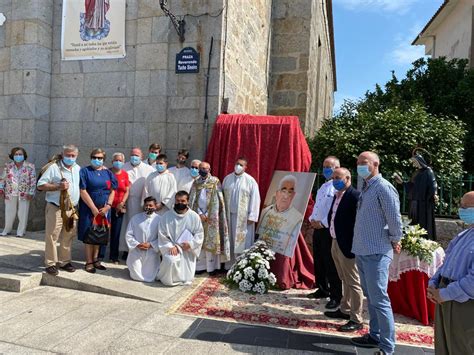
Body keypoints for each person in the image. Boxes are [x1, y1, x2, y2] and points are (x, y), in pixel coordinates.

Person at [350, 151, 402, 355]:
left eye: (365, 163)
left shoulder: (383, 187)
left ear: (376, 164)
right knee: (371, 298)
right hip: (363, 250)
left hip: (377, 251)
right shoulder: (365, 187)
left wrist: (396, 239)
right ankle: (375, 335)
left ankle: (387, 347)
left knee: (379, 299)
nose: (360, 166)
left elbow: (394, 219)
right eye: (358, 163)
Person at [427, 191, 474, 355]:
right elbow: (445, 264)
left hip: (463, 303)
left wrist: (445, 294)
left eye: (466, 206)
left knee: (460, 348)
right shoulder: (463, 235)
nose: (461, 210)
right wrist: (433, 284)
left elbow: (472, 282)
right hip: (445, 298)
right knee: (443, 347)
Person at [324, 168, 364, 332]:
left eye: (338, 178)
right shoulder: (337, 195)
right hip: (336, 241)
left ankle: (356, 318)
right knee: (343, 278)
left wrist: (353, 244)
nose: (334, 180)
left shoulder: (354, 196)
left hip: (348, 245)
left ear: (348, 178)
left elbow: (358, 223)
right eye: (333, 178)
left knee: (353, 282)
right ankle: (345, 309)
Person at [37, 145, 80, 276]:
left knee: (68, 235)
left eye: (73, 156)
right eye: (68, 155)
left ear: (76, 156)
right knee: (52, 236)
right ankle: (50, 263)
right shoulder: (53, 168)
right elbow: (40, 185)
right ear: (62, 154)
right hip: (56, 207)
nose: (70, 158)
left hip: (71, 208)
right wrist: (57, 186)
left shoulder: (77, 168)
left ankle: (64, 261)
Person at [308, 156, 341, 310]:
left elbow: (334, 210)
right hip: (317, 228)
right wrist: (312, 219)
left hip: (328, 229)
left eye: (330, 166)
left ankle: (335, 295)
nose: (326, 169)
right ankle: (322, 288)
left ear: (337, 167)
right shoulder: (322, 187)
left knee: (331, 263)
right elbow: (318, 207)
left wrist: (323, 223)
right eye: (324, 166)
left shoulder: (337, 187)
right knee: (319, 260)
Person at [78, 148, 117, 273]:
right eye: (95, 157)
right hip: (89, 208)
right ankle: (88, 261)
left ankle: (96, 260)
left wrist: (108, 206)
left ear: (103, 159)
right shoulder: (85, 171)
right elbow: (82, 190)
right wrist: (93, 208)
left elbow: (113, 190)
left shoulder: (108, 173)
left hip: (104, 209)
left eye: (100, 158)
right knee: (89, 234)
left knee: (99, 234)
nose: (97, 160)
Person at [189, 161, 230, 274]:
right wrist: (199, 213)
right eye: (201, 168)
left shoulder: (215, 182)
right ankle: (200, 267)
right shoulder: (196, 182)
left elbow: (217, 200)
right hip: (198, 216)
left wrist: (208, 214)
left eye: (205, 168)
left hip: (212, 216)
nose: (203, 170)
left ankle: (212, 267)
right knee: (200, 240)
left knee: (211, 240)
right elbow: (193, 200)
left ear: (209, 169)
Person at [156, 191, 204, 286]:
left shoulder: (194, 216)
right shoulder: (166, 216)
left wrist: (191, 244)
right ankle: (167, 279)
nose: (180, 203)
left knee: (187, 278)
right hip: (172, 249)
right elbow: (162, 234)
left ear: (188, 202)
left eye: (183, 201)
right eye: (178, 200)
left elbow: (199, 234)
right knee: (171, 260)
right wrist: (170, 246)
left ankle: (183, 278)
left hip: (187, 250)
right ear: (174, 201)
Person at [222, 157, 260, 268]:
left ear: (245, 167)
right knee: (231, 240)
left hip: (244, 218)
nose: (238, 166)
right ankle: (229, 265)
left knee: (243, 241)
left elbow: (255, 198)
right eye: (237, 164)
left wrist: (252, 215)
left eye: (241, 165)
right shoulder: (227, 179)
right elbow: (222, 196)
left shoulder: (250, 180)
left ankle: (242, 266)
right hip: (229, 216)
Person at [119, 148, 155, 258]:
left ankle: (140, 247)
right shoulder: (124, 167)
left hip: (142, 202)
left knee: (140, 227)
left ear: (142, 156)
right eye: (133, 154)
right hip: (127, 201)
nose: (134, 157)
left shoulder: (149, 169)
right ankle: (126, 249)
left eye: (137, 155)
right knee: (126, 226)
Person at [257, 175, 304, 257]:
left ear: (293, 195)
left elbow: (290, 246)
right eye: (283, 190)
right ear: (277, 193)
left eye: (290, 192)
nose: (286, 196)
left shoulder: (297, 218)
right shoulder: (265, 212)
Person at [394, 153, 438, 240]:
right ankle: (414, 239)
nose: (413, 164)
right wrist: (402, 182)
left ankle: (425, 240)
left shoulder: (428, 171)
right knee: (413, 220)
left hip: (423, 202)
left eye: (414, 161)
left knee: (423, 221)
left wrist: (435, 194)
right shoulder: (416, 173)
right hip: (414, 201)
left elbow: (433, 183)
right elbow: (411, 185)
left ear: (420, 161)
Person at [0, 147, 36, 238]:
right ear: (12, 156)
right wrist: (1, 189)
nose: (18, 156)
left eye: (20, 154)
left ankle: (21, 231)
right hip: (10, 192)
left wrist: (31, 192)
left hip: (25, 193)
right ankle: (7, 230)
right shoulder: (8, 166)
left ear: (24, 156)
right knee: (9, 212)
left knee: (23, 213)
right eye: (16, 154)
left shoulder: (30, 166)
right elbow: (2, 179)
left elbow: (33, 180)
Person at [125, 196, 161, 282]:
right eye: (146, 205)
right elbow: (129, 235)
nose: (148, 207)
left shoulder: (160, 220)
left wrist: (151, 244)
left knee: (151, 275)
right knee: (135, 275)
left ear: (155, 206)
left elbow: (163, 238)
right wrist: (137, 244)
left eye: (150, 205)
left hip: (152, 251)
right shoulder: (135, 218)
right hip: (137, 251)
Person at [109, 152, 129, 264]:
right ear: (112, 161)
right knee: (104, 231)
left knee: (116, 233)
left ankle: (114, 256)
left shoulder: (125, 174)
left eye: (120, 160)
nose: (118, 162)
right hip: (107, 207)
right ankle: (100, 255)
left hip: (119, 208)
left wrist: (122, 202)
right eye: (116, 160)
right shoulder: (107, 172)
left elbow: (127, 190)